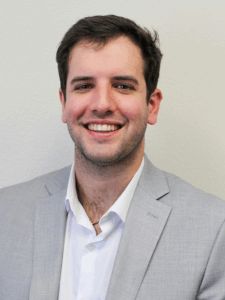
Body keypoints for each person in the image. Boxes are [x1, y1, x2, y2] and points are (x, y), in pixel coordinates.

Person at [0, 15, 225, 300]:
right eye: (83, 86)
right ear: (64, 103)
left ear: (152, 106)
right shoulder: (4, 214)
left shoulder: (215, 230)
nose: (102, 104)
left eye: (122, 86)